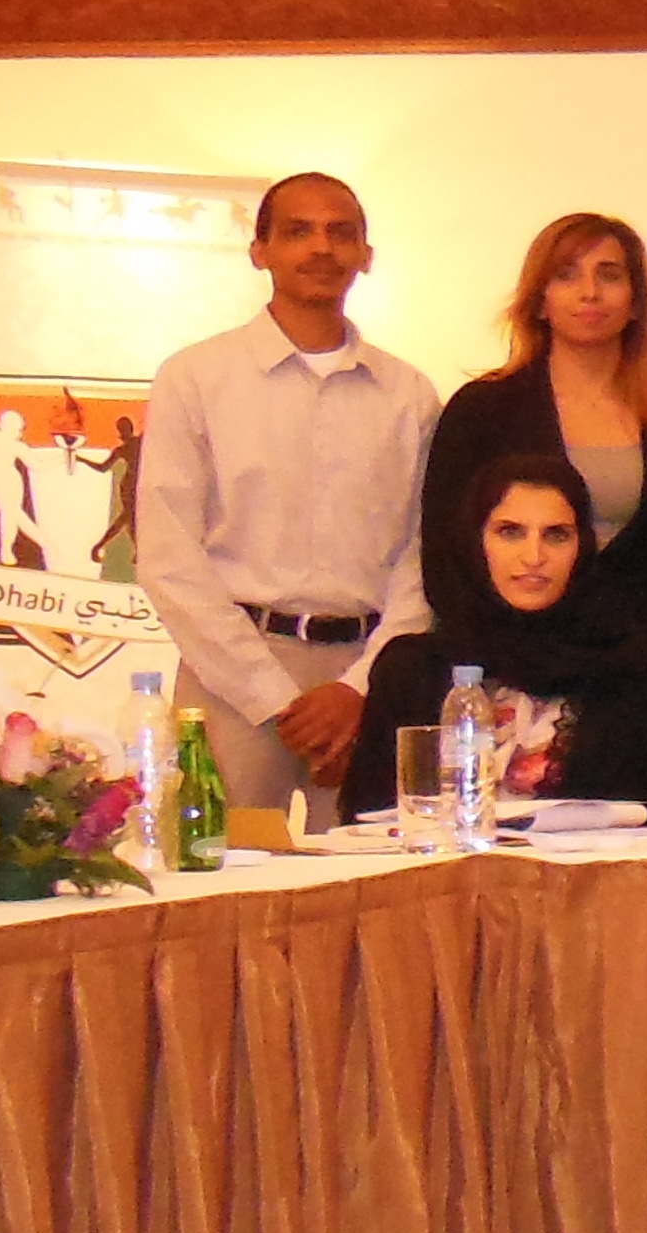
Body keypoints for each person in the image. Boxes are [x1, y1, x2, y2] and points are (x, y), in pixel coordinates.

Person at [132, 170, 440, 828]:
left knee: (374, 882)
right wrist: (274, 697)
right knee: (220, 878)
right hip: (231, 675)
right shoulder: (196, 378)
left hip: (368, 680)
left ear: (366, 255)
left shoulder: (409, 395)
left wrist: (359, 689)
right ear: (259, 250)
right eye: (299, 231)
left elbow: (424, 556)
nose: (322, 247)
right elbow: (168, 555)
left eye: (340, 233)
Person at [423, 212, 647, 818]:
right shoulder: (481, 411)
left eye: (609, 275)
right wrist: (516, 668)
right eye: (567, 275)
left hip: (633, 691)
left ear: (636, 300)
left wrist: (646, 661)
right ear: (538, 299)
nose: (589, 292)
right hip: (499, 689)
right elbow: (444, 558)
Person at [344, 455, 647, 827]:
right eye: (510, 532)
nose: (534, 556)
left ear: (582, 547)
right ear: (474, 542)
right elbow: (366, 823)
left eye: (556, 535)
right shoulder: (412, 672)